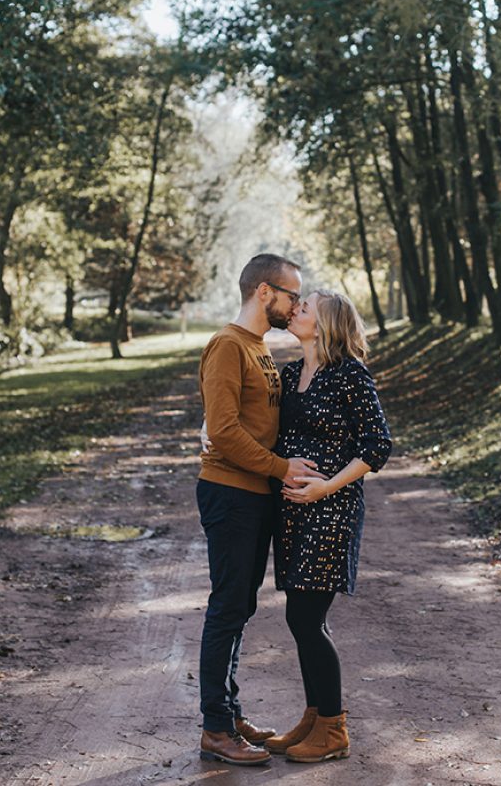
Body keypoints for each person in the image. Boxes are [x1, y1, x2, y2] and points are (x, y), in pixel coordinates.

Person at [196, 253, 327, 767]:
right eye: (293, 295)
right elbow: (224, 430)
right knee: (227, 608)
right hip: (230, 493)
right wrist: (280, 468)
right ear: (265, 292)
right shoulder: (229, 345)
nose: (297, 305)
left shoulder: (259, 347)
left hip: (254, 495)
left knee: (240, 608)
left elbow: (243, 420)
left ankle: (228, 716)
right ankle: (215, 729)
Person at [262, 289, 392, 763]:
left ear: (326, 323)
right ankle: (315, 718)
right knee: (301, 618)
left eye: (305, 307)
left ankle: (333, 729)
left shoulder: (349, 374)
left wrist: (326, 487)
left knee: (305, 618)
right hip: (293, 513)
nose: (295, 310)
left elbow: (377, 445)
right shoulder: (291, 372)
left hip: (331, 511)